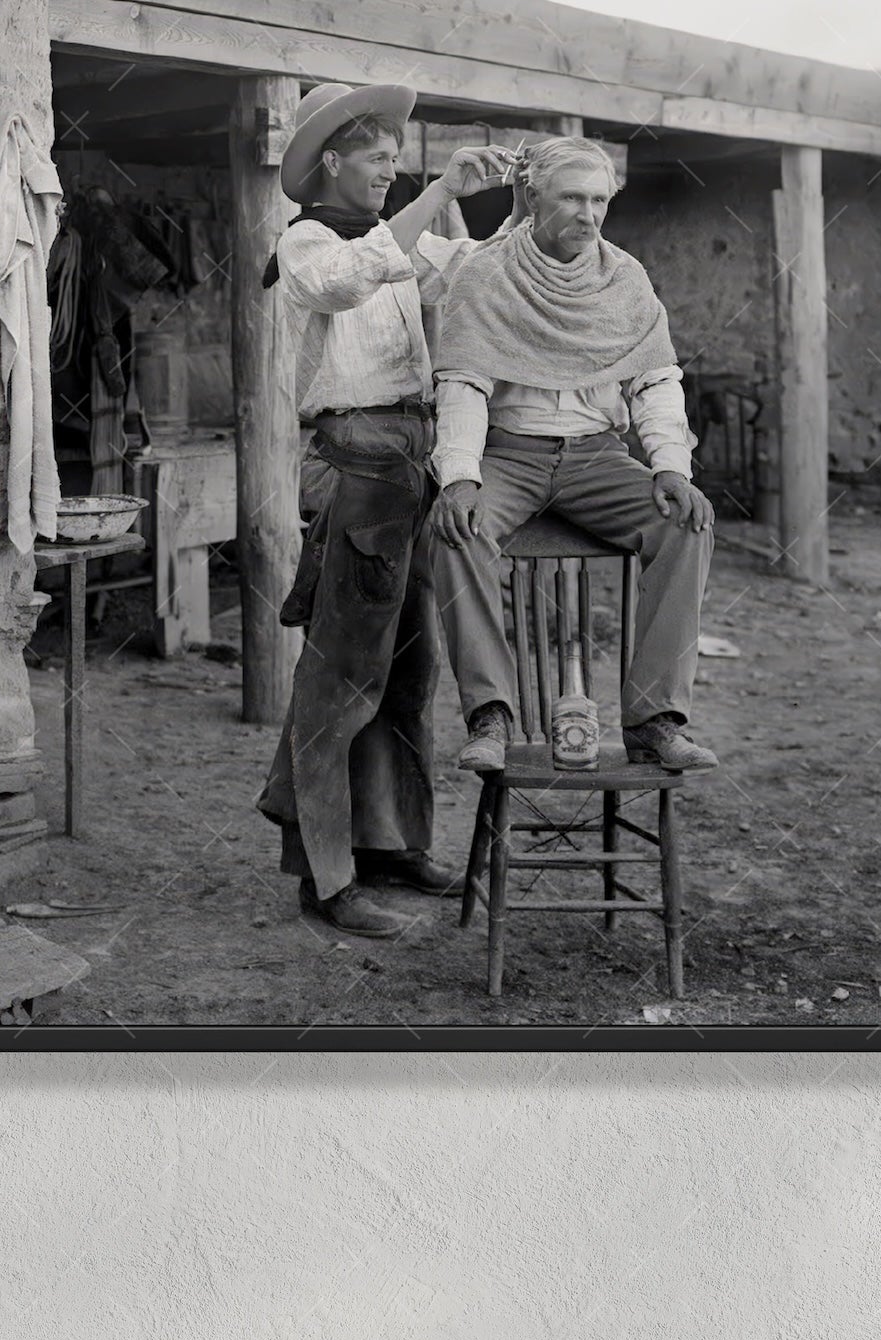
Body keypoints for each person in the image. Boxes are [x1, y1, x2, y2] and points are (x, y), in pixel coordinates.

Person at [255, 83, 514, 940]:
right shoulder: (304, 243)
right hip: (354, 465)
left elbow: (468, 273)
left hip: (413, 464)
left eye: (396, 161)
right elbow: (347, 279)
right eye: (376, 158)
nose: (388, 172)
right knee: (342, 677)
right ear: (332, 161)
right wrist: (437, 196)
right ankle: (326, 877)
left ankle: (393, 842)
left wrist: (509, 201)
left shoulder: (391, 244)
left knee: (410, 669)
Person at [424, 136, 721, 776]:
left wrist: (672, 466)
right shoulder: (487, 271)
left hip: (598, 455)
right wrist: (460, 477)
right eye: (572, 198)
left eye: (599, 200)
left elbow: (655, 380)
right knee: (453, 532)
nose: (588, 215)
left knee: (685, 523)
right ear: (533, 199)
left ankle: (655, 720)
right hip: (509, 452)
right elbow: (464, 383)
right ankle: (492, 715)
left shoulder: (625, 278)